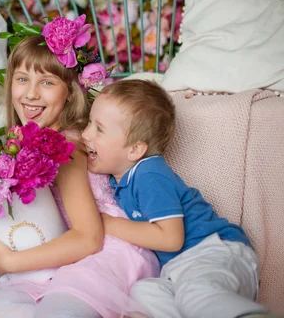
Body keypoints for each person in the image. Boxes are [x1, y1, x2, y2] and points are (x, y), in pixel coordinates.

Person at [0, 34, 160, 318]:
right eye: (22, 79)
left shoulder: (65, 145)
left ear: (69, 90)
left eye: (47, 82)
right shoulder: (19, 143)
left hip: (109, 252)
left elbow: (89, 238)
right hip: (65, 256)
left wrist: (12, 262)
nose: (31, 94)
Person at [82, 79, 266, 318]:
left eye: (99, 129)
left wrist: (109, 223)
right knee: (144, 292)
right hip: (179, 268)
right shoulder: (122, 179)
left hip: (214, 252)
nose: (85, 134)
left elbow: (171, 238)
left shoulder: (149, 174)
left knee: (196, 292)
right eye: (88, 123)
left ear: (135, 150)